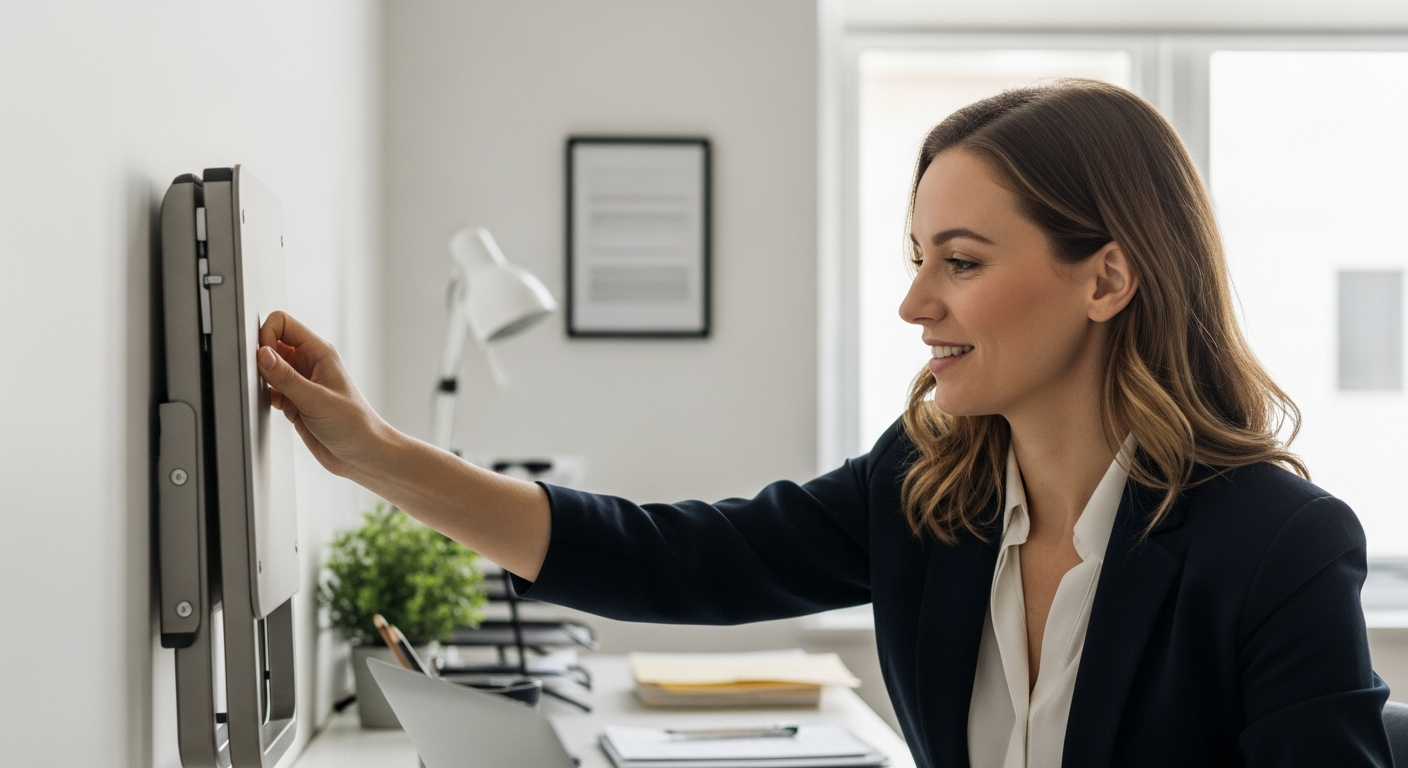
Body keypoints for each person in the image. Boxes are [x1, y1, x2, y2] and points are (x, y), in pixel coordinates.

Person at [254, 80, 1391, 767]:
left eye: (960, 262)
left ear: (1106, 280)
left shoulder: (1275, 548)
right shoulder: (928, 489)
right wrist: (371, 454)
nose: (914, 303)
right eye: (915, 259)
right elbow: (675, 561)